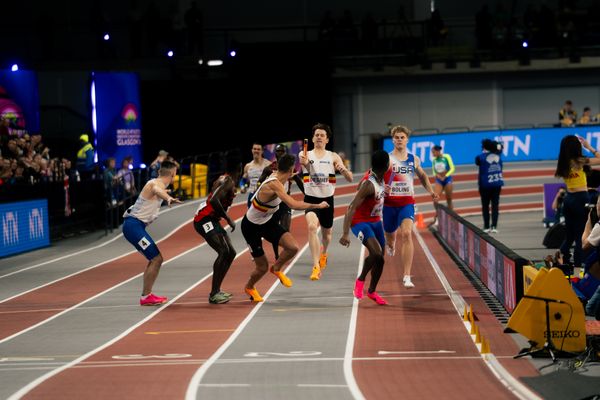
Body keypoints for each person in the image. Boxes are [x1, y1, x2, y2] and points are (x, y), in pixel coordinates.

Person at [243, 154, 329, 302]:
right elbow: (293, 204)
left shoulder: (282, 175)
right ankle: (249, 287)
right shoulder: (274, 184)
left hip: (267, 222)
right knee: (261, 267)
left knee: (293, 247)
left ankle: (276, 268)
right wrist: (317, 205)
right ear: (290, 169)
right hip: (251, 227)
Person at [383, 125, 438, 288]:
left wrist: (431, 191)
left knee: (407, 234)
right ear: (392, 140)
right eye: (397, 137)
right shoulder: (386, 158)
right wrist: (381, 187)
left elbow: (422, 176)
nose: (399, 140)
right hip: (389, 204)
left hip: (407, 203)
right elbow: (373, 178)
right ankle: (390, 243)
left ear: (407, 140)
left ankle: (407, 275)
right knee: (391, 237)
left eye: (402, 137)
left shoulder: (414, 159)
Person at [122, 160, 181, 306]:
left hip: (136, 226)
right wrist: (168, 198)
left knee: (155, 259)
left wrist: (165, 195)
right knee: (156, 259)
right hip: (133, 226)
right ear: (173, 174)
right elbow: (156, 189)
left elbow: (157, 192)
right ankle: (145, 296)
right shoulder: (155, 184)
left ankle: (146, 295)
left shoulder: (159, 185)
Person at [299, 123, 353, 281]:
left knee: (327, 235)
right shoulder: (305, 155)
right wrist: (305, 163)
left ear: (327, 139)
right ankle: (315, 266)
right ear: (313, 138)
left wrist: (341, 169)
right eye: (317, 135)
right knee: (311, 227)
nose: (319, 137)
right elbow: (308, 168)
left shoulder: (333, 156)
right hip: (311, 199)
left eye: (322, 135)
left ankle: (323, 254)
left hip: (328, 200)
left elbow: (350, 178)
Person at [340, 150, 389, 305]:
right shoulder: (368, 184)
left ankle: (372, 292)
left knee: (381, 259)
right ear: (386, 165)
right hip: (359, 221)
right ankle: (360, 281)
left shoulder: (381, 177)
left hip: (376, 221)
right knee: (375, 253)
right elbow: (351, 207)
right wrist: (345, 233)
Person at [193, 155, 241, 304]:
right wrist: (228, 218)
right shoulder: (228, 181)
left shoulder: (224, 178)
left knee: (231, 252)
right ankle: (214, 293)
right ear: (238, 170)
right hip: (204, 219)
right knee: (223, 251)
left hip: (212, 219)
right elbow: (214, 200)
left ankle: (217, 290)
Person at [555, 135, 600, 270]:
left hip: (568, 200)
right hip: (581, 199)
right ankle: (579, 267)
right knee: (581, 235)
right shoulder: (579, 161)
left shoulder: (562, 162)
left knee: (569, 236)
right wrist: (589, 147)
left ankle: (559, 260)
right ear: (576, 147)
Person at [256, 143, 305, 259]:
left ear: (285, 153)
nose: (281, 153)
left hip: (285, 201)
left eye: (283, 151)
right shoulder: (269, 168)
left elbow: (298, 181)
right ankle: (277, 255)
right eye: (278, 151)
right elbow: (260, 182)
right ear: (275, 153)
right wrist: (259, 191)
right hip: (273, 202)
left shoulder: (290, 168)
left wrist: (306, 195)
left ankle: (284, 251)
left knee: (286, 229)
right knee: (274, 230)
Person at [476, 139, 504, 233]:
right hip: (497, 184)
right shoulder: (499, 156)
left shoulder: (480, 157)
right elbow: (500, 147)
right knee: (495, 205)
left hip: (485, 185)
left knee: (485, 206)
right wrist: (496, 146)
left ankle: (486, 226)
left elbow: (477, 162)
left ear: (484, 147)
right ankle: (494, 226)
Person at [242, 142, 271, 207]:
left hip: (265, 196)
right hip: (252, 196)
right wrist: (243, 187)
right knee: (250, 217)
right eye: (254, 149)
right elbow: (244, 180)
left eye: (258, 149)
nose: (256, 151)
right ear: (252, 150)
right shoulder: (248, 166)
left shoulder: (268, 164)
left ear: (262, 151)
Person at [431, 144, 455, 210]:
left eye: (433, 152)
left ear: (438, 151)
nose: (432, 154)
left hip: (447, 179)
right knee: (435, 199)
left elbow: (452, 168)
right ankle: (438, 215)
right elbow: (433, 171)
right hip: (439, 180)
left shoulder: (446, 157)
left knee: (449, 199)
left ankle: (451, 216)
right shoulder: (434, 160)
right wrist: (436, 175)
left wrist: (445, 176)